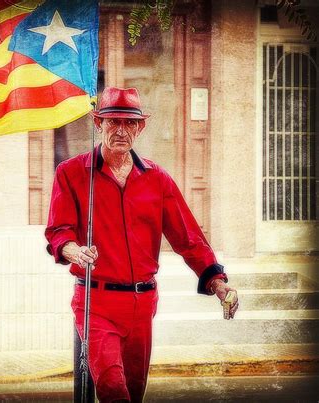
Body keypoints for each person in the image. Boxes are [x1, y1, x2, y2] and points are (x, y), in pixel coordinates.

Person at [44, 87, 239, 403]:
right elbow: (58, 231)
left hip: (142, 304)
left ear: (140, 127)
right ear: (99, 123)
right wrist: (73, 250)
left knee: (134, 393)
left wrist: (217, 282)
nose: (121, 130)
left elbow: (188, 237)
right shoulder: (72, 173)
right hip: (96, 301)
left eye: (129, 123)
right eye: (113, 121)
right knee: (112, 389)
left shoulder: (156, 178)